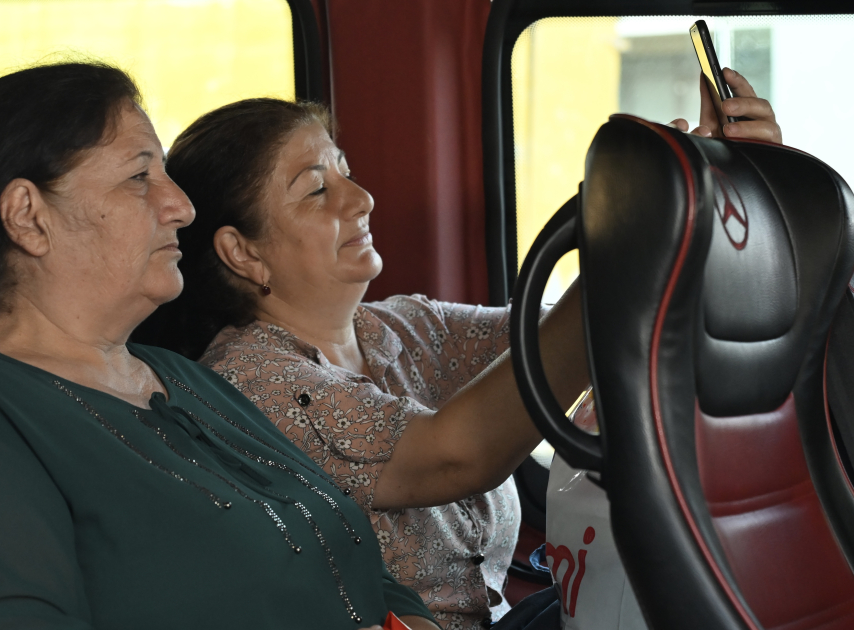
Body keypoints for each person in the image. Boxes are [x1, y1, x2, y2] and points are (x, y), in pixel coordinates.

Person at [140, 67, 781, 630]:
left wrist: (728, 191)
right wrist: (637, 237)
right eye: (317, 190)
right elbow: (456, 455)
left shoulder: (401, 329)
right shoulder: (248, 382)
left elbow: (601, 333)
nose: (361, 199)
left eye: (347, 174)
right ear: (242, 252)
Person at [0, 61, 441, 630]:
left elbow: (359, 564)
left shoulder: (182, 378)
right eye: (140, 177)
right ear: (28, 217)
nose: (182, 207)